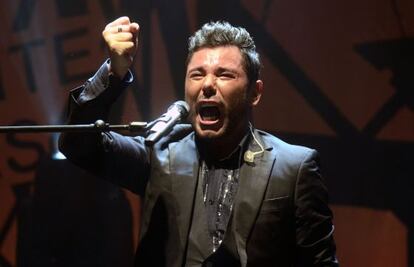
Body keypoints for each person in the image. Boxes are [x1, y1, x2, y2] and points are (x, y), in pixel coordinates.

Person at [59, 16, 339, 266]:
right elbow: (78, 145)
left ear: (255, 92)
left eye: (224, 74)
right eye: (197, 74)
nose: (206, 84)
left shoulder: (294, 167)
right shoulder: (160, 154)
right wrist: (114, 72)